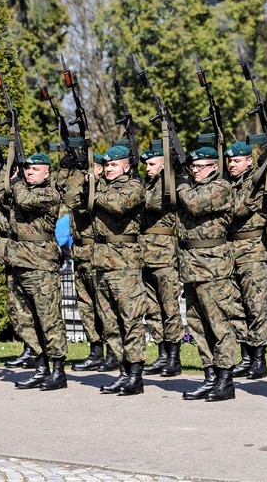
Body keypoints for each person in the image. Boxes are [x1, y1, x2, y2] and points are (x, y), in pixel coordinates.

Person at [0, 153, 67, 390]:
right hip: (18, 262)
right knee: (21, 318)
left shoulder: (49, 193)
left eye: (34, 169)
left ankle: (58, 371)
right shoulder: (18, 187)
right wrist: (7, 170)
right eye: (27, 168)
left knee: (48, 319)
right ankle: (40, 366)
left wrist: (16, 182)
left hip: (41, 265)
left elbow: (23, 200)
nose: (29, 172)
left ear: (46, 172)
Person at [178, 147, 246, 402]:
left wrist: (181, 182)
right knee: (197, 325)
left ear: (214, 167)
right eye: (193, 167)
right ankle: (210, 376)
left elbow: (194, 205)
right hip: (191, 266)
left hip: (212, 268)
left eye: (201, 167)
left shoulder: (221, 187)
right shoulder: (191, 187)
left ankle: (226, 379)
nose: (196, 171)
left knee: (219, 325)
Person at [87, 145, 148, 396]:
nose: (109, 169)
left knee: (130, 320)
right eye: (107, 165)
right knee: (110, 323)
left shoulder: (134, 186)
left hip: (125, 265)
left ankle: (135, 375)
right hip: (102, 262)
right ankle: (123, 372)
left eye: (114, 165)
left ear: (126, 166)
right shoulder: (101, 186)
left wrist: (94, 187)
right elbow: (73, 198)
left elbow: (118, 205)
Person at [66, 154, 117, 372]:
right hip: (79, 252)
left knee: (105, 307)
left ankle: (114, 352)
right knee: (86, 306)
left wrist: (93, 182)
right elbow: (69, 199)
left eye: (91, 168)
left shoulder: (104, 189)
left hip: (98, 253)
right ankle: (96, 351)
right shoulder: (83, 188)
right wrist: (81, 177)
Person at [226, 141, 267, 380]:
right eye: (230, 161)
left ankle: (259, 358)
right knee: (236, 307)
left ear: (249, 161)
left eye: (237, 160)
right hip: (231, 250)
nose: (232, 164)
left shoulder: (256, 183)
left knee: (255, 306)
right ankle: (246, 356)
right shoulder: (227, 183)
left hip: (253, 252)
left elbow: (238, 209)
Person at [139, 145, 183, 377]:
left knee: (169, 306)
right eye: (145, 164)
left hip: (163, 254)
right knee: (152, 307)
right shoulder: (147, 184)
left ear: (164, 164)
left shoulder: (168, 184)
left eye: (152, 164)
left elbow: (153, 204)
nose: (147, 168)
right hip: (144, 253)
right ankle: (162, 353)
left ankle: (174, 357)